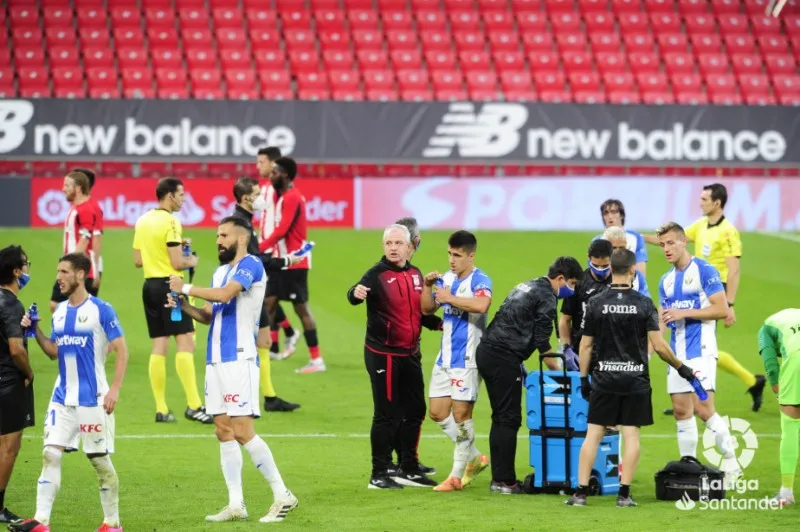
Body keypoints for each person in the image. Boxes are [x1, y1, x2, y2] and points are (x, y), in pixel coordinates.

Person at [168, 216, 298, 523]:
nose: (218, 240)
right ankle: (236, 503)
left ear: (241, 238)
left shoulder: (251, 264)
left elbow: (226, 295)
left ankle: (283, 495)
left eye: (224, 235)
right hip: (215, 360)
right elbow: (208, 314)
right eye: (217, 235)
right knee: (223, 431)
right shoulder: (218, 272)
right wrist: (182, 304)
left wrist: (185, 285)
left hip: (239, 358)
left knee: (242, 431)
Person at [565, 249, 703, 507]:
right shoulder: (643, 304)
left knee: (592, 435)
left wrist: (584, 379)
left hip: (604, 379)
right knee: (631, 437)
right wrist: (681, 367)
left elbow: (584, 346)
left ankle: (580, 493)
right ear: (632, 270)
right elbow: (660, 346)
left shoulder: (596, 302)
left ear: (610, 272)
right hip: (635, 380)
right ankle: (624, 494)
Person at [11, 253, 129, 532]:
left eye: (64, 272)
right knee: (50, 452)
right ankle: (41, 520)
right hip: (63, 396)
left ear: (80, 275)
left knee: (98, 460)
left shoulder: (102, 310)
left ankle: (112, 523)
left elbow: (122, 349)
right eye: (58, 272)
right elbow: (54, 351)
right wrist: (36, 329)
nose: (59, 277)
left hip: (93, 398)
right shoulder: (60, 312)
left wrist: (114, 389)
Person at [646, 184, 766, 412]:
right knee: (693, 342)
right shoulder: (701, 225)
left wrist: (729, 303)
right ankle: (747, 382)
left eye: (704, 199)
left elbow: (734, 269)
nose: (700, 202)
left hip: (714, 291)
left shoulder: (728, 231)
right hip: (693, 284)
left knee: (701, 345)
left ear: (717, 203)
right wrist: (636, 238)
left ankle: (690, 396)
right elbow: (670, 239)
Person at [476, 256, 583, 494]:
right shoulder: (546, 296)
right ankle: (505, 481)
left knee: (500, 417)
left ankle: (500, 479)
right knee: (508, 418)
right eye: (573, 283)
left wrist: (518, 359)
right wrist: (564, 374)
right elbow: (542, 342)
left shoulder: (528, 285)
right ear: (561, 278)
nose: (572, 290)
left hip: (488, 351)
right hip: (503, 357)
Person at [347, 224, 435, 490]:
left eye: (398, 243)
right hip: (383, 354)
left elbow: (420, 313)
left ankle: (407, 466)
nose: (393, 248)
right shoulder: (376, 274)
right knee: (386, 414)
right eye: (389, 244)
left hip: (410, 353)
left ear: (410, 247)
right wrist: (355, 293)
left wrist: (443, 325)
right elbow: (354, 294)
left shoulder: (416, 275)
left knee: (416, 409)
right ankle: (379, 472)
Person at [656, 222, 741, 482]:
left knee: (704, 409)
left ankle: (732, 463)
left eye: (671, 243)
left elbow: (721, 309)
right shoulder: (666, 281)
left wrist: (685, 312)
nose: (666, 249)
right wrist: (654, 343)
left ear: (684, 242)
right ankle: (689, 465)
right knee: (682, 411)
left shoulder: (705, 270)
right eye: (662, 245)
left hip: (701, 351)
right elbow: (663, 317)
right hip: (676, 354)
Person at [132, 177, 210, 424]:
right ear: (169, 196)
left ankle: (161, 408)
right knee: (186, 343)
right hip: (171, 287)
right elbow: (178, 263)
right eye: (181, 194)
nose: (184, 199)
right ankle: (194, 406)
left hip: (150, 286)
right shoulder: (171, 221)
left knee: (159, 346)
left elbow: (138, 260)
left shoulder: (143, 220)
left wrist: (165, 255)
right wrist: (191, 261)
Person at [421, 230, 492, 492]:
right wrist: (429, 287)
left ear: (471, 256)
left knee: (462, 416)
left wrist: (450, 298)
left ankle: (455, 476)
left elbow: (483, 305)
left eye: (458, 255)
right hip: (444, 358)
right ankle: (474, 456)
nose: (452, 260)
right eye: (449, 254)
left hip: (467, 359)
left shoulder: (480, 279)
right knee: (437, 413)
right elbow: (427, 309)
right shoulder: (447, 278)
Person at [229, 177, 301, 413]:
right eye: (257, 193)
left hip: (251, 288)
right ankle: (239, 397)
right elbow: (254, 259)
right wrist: (286, 261)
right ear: (245, 197)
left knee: (264, 341)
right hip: (245, 290)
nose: (261, 197)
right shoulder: (240, 223)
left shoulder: (243, 220)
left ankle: (269, 397)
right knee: (244, 346)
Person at [258, 156, 324, 374]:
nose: (271, 174)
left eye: (275, 171)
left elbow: (283, 230)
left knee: (301, 308)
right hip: (282, 261)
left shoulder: (293, 197)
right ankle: (267, 350)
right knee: (268, 301)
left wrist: (259, 247)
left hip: (295, 262)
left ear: (285, 174)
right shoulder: (282, 196)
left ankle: (316, 359)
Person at [255, 146, 300, 360]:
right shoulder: (266, 188)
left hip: (271, 250)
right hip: (265, 246)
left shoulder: (275, 190)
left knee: (267, 297)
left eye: (261, 162)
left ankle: (275, 343)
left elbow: (278, 222)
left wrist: (265, 245)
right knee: (268, 297)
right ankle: (282, 337)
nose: (258, 167)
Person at [0, 246, 34, 524]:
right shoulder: (11, 304)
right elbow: (16, 350)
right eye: (25, 265)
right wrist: (30, 373)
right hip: (8, 383)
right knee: (9, 447)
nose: (27, 270)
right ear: (15, 271)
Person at [757, 308, 800, 507]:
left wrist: (778, 389)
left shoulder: (765, 328)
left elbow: (771, 364)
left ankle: (786, 493)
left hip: (796, 358)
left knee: (790, 425)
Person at [558, 239, 614, 372]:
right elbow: (565, 319)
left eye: (605, 266)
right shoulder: (578, 283)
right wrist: (566, 348)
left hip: (610, 355)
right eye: (596, 266)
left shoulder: (619, 282)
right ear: (589, 259)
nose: (600, 270)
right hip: (581, 353)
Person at [49, 171, 102, 312]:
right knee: (60, 306)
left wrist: (70, 266)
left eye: (67, 185)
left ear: (78, 188)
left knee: (70, 308)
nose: (63, 189)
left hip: (79, 270)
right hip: (75, 268)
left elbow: (85, 240)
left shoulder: (85, 210)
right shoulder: (76, 207)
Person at [73, 168, 104, 297]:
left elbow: (97, 239)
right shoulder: (78, 206)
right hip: (82, 264)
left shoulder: (93, 208)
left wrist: (95, 270)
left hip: (88, 266)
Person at [595, 199, 647, 275]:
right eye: (606, 213)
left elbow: (641, 273)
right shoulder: (597, 241)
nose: (610, 216)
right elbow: (593, 272)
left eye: (613, 212)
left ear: (621, 215)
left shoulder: (635, 238)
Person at [602, 226, 649, 297]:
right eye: (613, 248)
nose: (618, 252)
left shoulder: (637, 276)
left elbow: (647, 304)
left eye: (621, 247)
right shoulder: (597, 275)